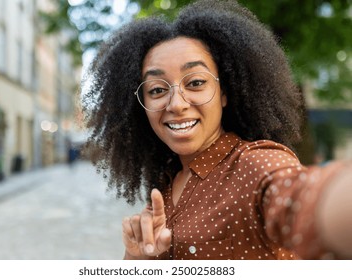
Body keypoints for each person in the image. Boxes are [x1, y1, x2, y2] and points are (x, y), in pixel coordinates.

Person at [83, 0, 352, 260]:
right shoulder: (166, 186)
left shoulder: (255, 165)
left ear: (224, 92)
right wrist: (136, 257)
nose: (176, 104)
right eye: (157, 89)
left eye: (196, 82)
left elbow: (303, 199)